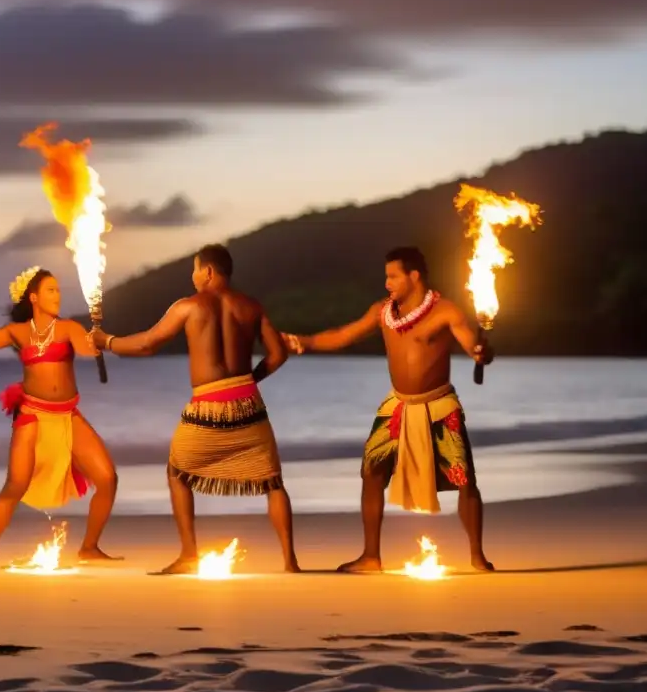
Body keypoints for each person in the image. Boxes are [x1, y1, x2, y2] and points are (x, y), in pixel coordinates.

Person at [91, 243, 301, 575]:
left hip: (208, 408)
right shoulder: (251, 307)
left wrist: (108, 342)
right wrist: (249, 380)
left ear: (208, 271)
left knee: (177, 472)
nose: (192, 275)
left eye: (194, 269)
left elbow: (147, 344)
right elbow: (278, 355)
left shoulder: (188, 307)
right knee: (273, 482)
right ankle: (290, 561)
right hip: (249, 403)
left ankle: (190, 554)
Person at [283, 246, 495, 573]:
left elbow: (470, 343)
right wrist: (304, 342)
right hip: (397, 406)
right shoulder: (383, 312)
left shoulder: (446, 311)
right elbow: (343, 334)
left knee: (464, 479)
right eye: (386, 276)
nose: (387, 283)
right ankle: (371, 557)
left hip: (439, 406)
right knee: (371, 473)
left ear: (414, 276)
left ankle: (477, 557)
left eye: (393, 276)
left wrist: (481, 353)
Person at [0, 266, 121, 566]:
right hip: (32, 414)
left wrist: (96, 339)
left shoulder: (68, 327)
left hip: (67, 414)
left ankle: (90, 547)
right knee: (15, 486)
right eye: (50, 290)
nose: (57, 295)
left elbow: (86, 352)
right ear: (33, 297)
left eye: (58, 290)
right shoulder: (17, 333)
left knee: (107, 477)